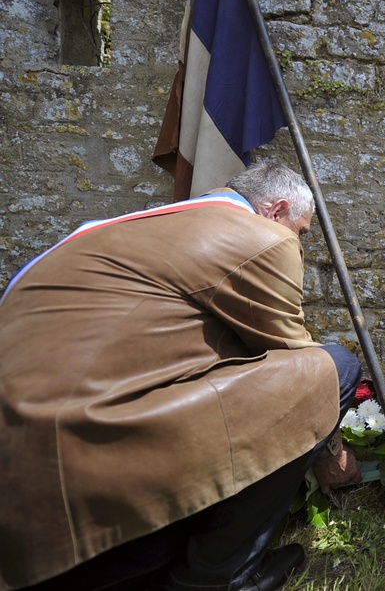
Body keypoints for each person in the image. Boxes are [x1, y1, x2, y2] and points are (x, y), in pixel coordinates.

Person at [0, 161, 364, 591]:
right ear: (276, 210)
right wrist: (333, 452)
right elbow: (291, 354)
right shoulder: (261, 238)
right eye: (300, 232)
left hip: (20, 466)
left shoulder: (109, 228)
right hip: (86, 444)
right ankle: (217, 577)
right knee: (333, 366)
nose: (298, 242)